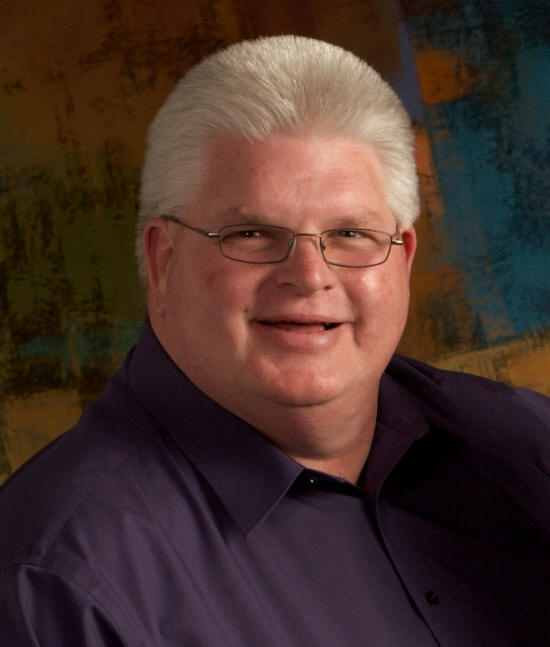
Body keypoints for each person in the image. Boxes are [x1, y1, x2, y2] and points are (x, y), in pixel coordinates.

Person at [0, 35, 548, 647]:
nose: (310, 276)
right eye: (253, 234)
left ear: (403, 258)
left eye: (350, 233)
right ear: (162, 260)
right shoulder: (56, 583)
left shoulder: (530, 452)